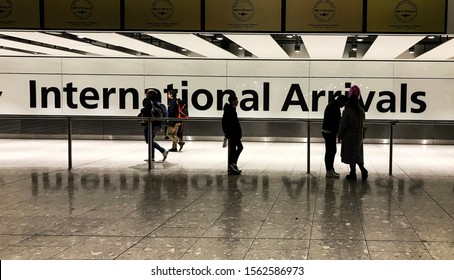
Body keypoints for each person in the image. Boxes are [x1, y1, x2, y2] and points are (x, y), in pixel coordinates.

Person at [338, 85, 368, 181]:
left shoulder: (348, 110)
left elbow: (343, 124)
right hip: (359, 134)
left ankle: (353, 173)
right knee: (357, 153)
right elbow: (363, 121)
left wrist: (340, 135)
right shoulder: (361, 110)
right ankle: (362, 169)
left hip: (349, 134)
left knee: (351, 154)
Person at [322, 95, 348, 178]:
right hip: (329, 132)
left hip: (328, 131)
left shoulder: (333, 105)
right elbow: (337, 120)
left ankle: (330, 169)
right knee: (331, 151)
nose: (344, 105)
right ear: (340, 101)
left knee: (331, 151)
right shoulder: (334, 106)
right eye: (344, 103)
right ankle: (329, 170)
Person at [140, 89, 168, 161]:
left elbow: (146, 112)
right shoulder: (158, 103)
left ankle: (163, 150)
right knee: (151, 140)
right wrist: (160, 126)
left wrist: (142, 110)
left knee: (148, 141)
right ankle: (152, 157)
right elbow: (159, 115)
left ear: (150, 95)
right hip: (156, 124)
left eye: (147, 94)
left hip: (150, 124)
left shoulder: (149, 102)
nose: (146, 95)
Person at [222, 93, 243, 175]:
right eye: (236, 100)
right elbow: (229, 123)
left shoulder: (231, 109)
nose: (237, 102)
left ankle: (233, 164)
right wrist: (228, 133)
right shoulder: (229, 110)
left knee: (235, 148)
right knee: (238, 147)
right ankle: (232, 164)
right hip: (233, 133)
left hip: (233, 133)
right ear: (232, 101)